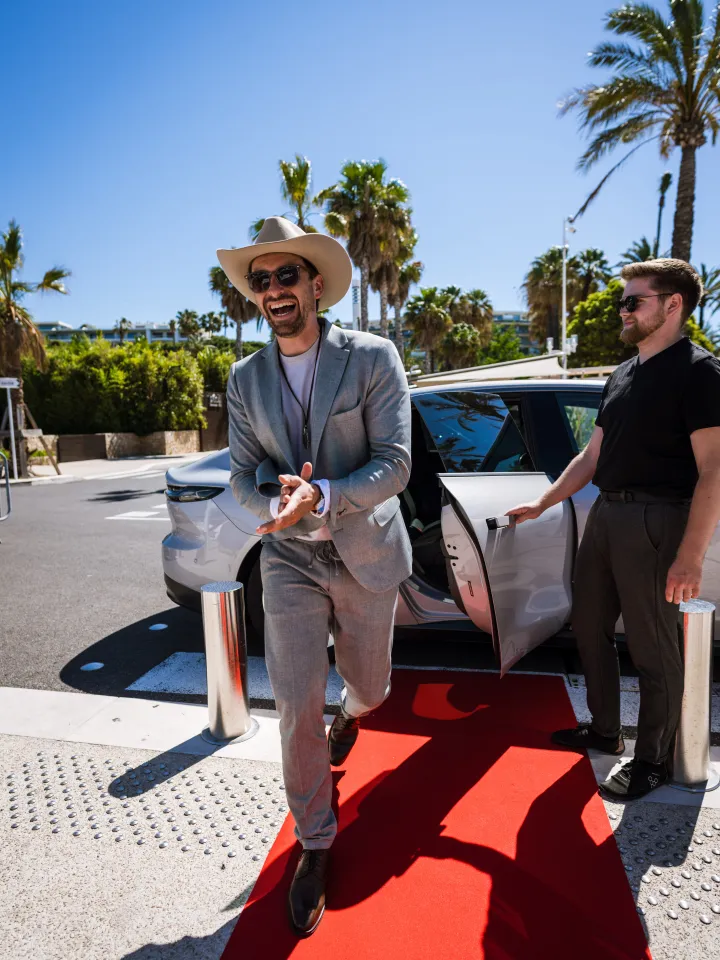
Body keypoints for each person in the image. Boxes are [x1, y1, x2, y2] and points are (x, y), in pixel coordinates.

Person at [218, 217, 412, 934]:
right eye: (261, 280)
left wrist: (324, 494)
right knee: (295, 705)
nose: (273, 290)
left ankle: (352, 716)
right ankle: (315, 843)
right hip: (290, 558)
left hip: (364, 554)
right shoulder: (244, 379)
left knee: (372, 688)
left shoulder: (373, 357)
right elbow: (241, 475)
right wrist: (277, 501)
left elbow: (396, 462)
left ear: (316, 285)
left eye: (286, 276)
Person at [508, 259, 720, 800]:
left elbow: (714, 467)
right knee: (588, 622)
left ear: (673, 305)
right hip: (606, 512)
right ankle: (605, 731)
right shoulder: (623, 373)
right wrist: (544, 500)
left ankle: (653, 759)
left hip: (657, 517)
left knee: (653, 648)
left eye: (634, 301)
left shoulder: (699, 371)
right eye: (623, 301)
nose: (622, 310)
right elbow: (592, 454)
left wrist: (691, 555)